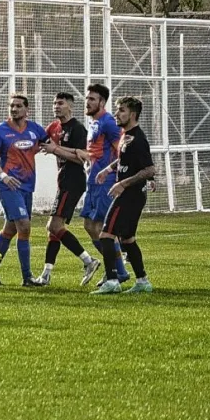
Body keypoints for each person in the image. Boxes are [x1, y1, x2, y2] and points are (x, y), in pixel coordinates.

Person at [91, 96, 156, 295]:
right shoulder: (125, 135)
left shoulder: (138, 139)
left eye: (121, 111)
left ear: (133, 114)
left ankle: (112, 281)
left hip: (130, 195)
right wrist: (108, 170)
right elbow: (123, 161)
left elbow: (150, 169)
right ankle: (143, 281)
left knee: (106, 235)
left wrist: (122, 183)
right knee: (127, 239)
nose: (117, 114)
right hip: (132, 194)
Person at [0, 94, 48, 287]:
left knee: (9, 229)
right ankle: (27, 277)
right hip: (9, 186)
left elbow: (49, 142)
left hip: (27, 186)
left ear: (27, 110)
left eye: (18, 106)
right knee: (24, 226)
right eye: (12, 106)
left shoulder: (35, 129)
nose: (14, 109)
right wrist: (3, 176)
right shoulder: (0, 131)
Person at [35, 92, 101, 285]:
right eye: (54, 103)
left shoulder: (78, 129)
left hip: (73, 180)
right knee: (53, 231)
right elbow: (39, 142)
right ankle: (46, 274)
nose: (56, 106)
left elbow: (82, 158)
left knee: (53, 226)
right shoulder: (54, 127)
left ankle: (89, 261)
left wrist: (56, 149)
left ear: (70, 106)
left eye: (60, 103)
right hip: (63, 180)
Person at [79, 84, 131, 287]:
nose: (88, 102)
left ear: (102, 102)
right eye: (87, 98)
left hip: (105, 182)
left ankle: (117, 270)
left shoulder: (109, 122)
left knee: (102, 227)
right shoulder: (94, 123)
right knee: (89, 225)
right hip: (92, 181)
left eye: (92, 99)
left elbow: (122, 150)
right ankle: (118, 268)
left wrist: (110, 171)